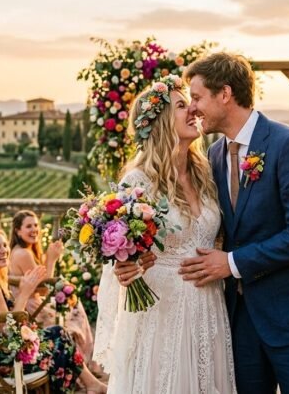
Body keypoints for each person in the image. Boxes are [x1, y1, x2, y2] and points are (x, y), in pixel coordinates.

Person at [179, 52, 289, 393]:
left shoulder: (287, 144)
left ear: (225, 93)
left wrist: (232, 263)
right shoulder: (215, 155)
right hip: (241, 321)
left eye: (197, 97)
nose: (193, 108)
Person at [94, 74, 236, 393]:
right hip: (161, 312)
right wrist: (128, 266)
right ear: (159, 121)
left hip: (208, 307)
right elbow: (120, 252)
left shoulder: (206, 173)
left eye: (192, 103)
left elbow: (219, 234)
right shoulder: (138, 181)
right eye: (182, 105)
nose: (193, 110)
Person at [0, 227, 107, 394]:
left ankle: (91, 384)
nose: (4, 250)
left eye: (4, 245)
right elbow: (8, 331)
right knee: (61, 341)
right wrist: (25, 292)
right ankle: (90, 385)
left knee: (59, 333)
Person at [7, 210, 98, 371]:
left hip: (33, 304)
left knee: (74, 305)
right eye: (28, 226)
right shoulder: (23, 254)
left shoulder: (22, 250)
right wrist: (51, 260)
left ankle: (85, 363)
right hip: (31, 310)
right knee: (75, 310)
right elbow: (44, 289)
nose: (34, 229)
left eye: (36, 225)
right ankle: (85, 364)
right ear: (17, 231)